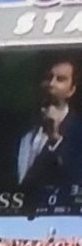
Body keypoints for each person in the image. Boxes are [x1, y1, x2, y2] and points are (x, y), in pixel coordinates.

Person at [17, 56, 82, 188]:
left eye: (60, 79)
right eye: (48, 77)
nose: (51, 84)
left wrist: (55, 139)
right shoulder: (19, 128)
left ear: (71, 90)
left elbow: (76, 178)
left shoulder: (78, 131)